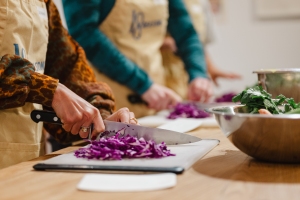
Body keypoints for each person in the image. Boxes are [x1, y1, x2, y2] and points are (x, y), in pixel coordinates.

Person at [0, 0, 137, 169]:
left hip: (25, 164)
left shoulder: (43, 3)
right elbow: (53, 89)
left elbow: (68, 67)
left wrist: (98, 118)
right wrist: (50, 90)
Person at [62, 0, 214, 118]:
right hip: (101, 106)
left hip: (153, 104)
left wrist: (198, 74)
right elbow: (84, 34)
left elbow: (186, 34)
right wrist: (143, 84)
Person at [161, 0, 241, 99]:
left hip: (191, 77)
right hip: (165, 76)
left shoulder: (202, 3)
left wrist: (208, 70)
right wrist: (167, 42)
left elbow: (196, 43)